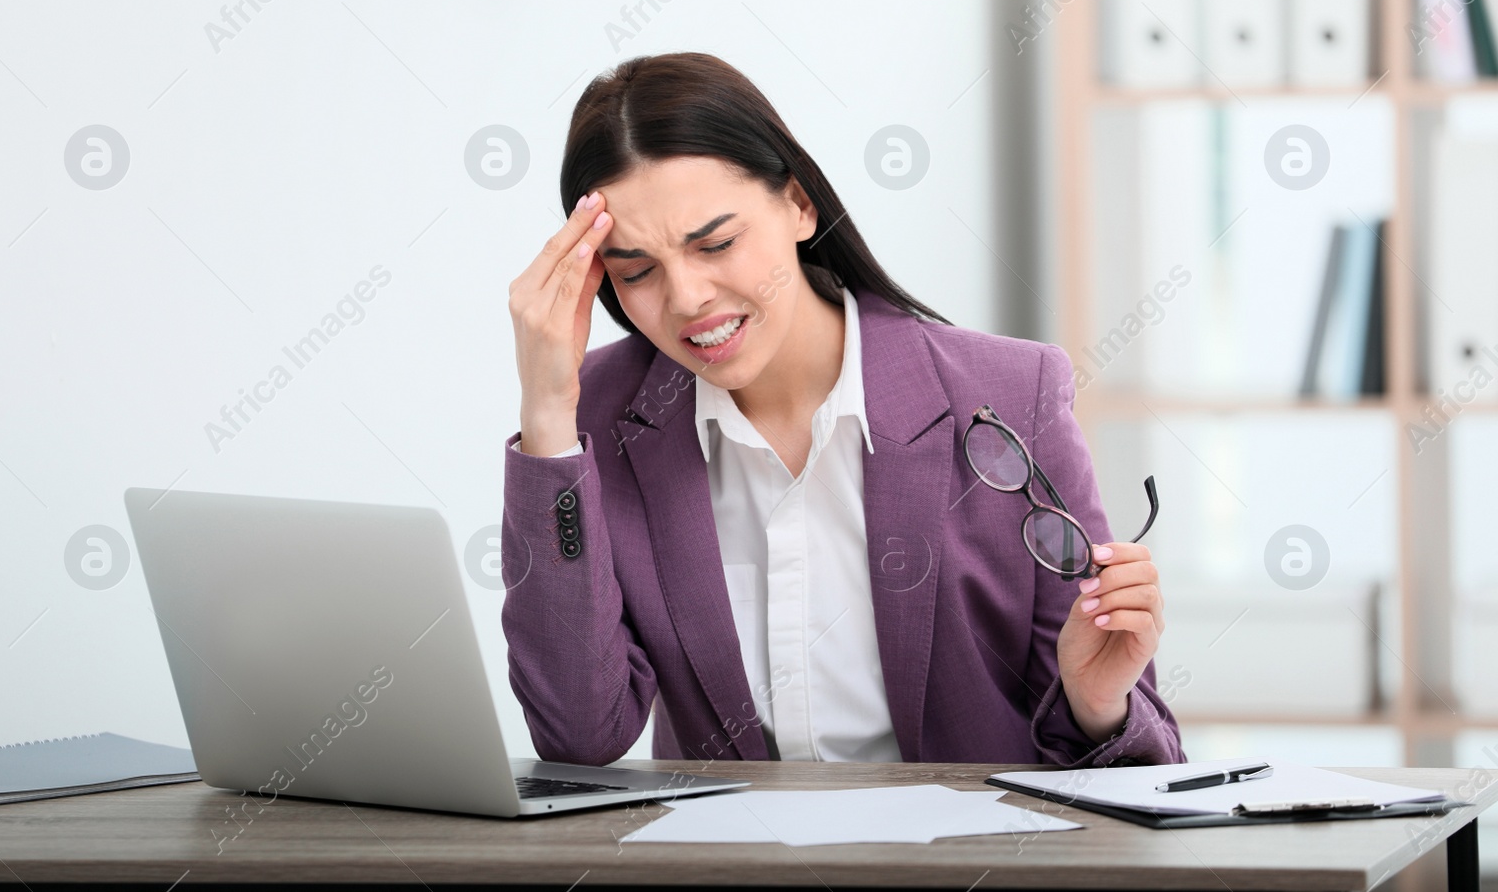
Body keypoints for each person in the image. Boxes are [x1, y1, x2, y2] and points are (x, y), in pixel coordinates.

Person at [502, 52, 1184, 767]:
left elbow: (1144, 775)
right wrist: (548, 413)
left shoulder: (1012, 394)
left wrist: (1096, 703)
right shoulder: (600, 417)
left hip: (976, 866)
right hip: (727, 868)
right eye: (637, 271)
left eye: (717, 243)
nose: (686, 298)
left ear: (799, 204)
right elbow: (579, 734)